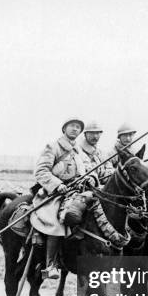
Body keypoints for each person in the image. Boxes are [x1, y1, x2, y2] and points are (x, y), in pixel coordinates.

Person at [31, 118, 97, 280]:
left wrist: (91, 179)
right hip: (55, 193)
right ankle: (51, 264)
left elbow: (91, 169)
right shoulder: (53, 147)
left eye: (78, 127)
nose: (75, 129)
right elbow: (41, 171)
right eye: (72, 126)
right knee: (57, 220)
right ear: (64, 129)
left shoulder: (80, 151)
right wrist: (57, 184)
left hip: (78, 191)